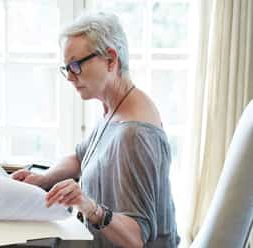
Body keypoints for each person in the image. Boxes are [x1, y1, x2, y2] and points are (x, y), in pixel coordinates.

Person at [12, 12, 180, 247]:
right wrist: (42, 180)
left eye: (76, 65)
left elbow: (136, 238)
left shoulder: (134, 134)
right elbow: (82, 157)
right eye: (67, 67)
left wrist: (90, 208)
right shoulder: (114, 108)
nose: (70, 77)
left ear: (111, 60)